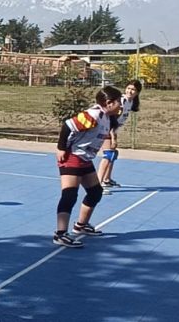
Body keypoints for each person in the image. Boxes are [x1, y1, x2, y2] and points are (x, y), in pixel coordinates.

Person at [53, 85, 123, 248]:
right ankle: (60, 234)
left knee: (95, 192)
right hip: (72, 156)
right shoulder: (93, 115)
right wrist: (61, 148)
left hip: (84, 158)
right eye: (118, 101)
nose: (120, 104)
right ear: (109, 102)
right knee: (69, 195)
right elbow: (68, 125)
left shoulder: (106, 117)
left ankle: (81, 226)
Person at [97, 79, 142, 193]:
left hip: (112, 129)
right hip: (105, 127)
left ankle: (107, 179)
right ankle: (97, 185)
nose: (130, 91)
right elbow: (111, 119)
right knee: (108, 155)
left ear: (137, 92)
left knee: (112, 155)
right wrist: (113, 137)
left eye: (133, 90)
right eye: (128, 88)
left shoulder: (130, 102)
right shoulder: (121, 101)